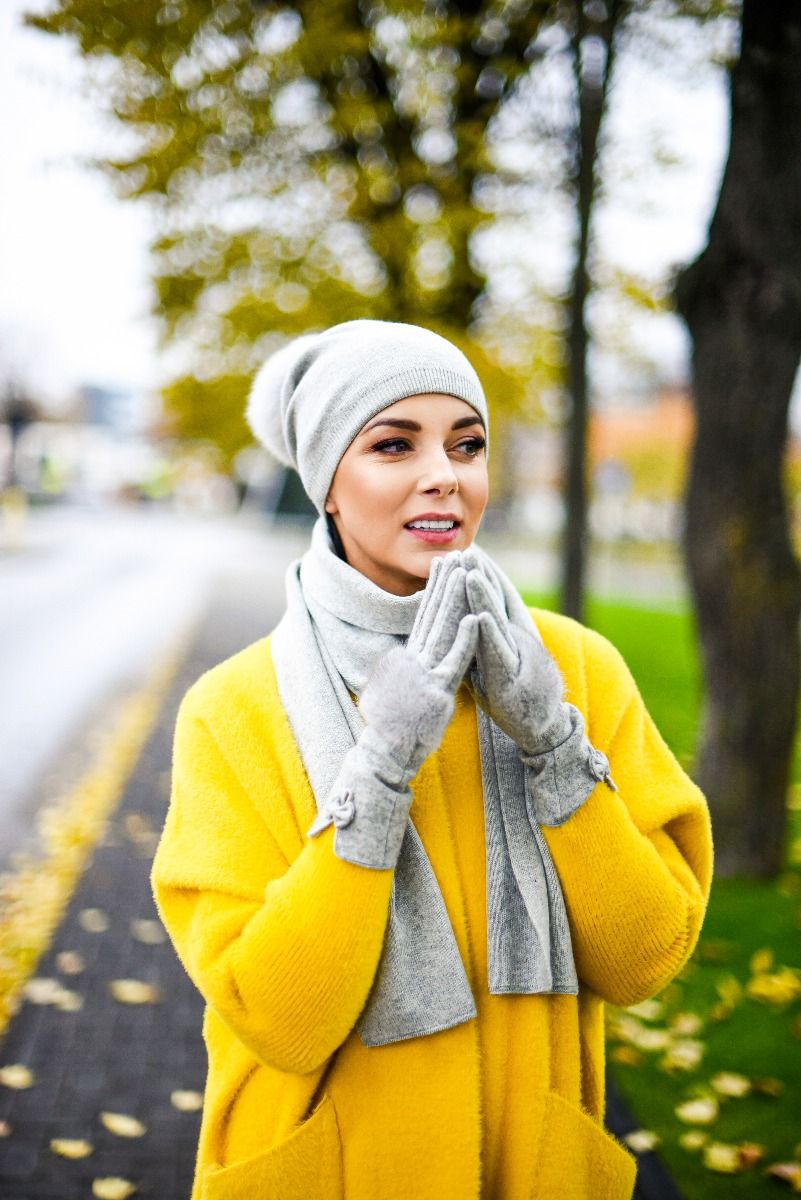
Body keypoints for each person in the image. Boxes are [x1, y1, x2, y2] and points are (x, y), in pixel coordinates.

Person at [150, 320, 713, 1200]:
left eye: (466, 443)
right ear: (327, 484)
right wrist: (376, 770)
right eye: (392, 444)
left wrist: (550, 738)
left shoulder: (573, 669)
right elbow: (280, 1019)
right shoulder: (234, 708)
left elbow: (642, 959)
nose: (442, 473)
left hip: (529, 1169)